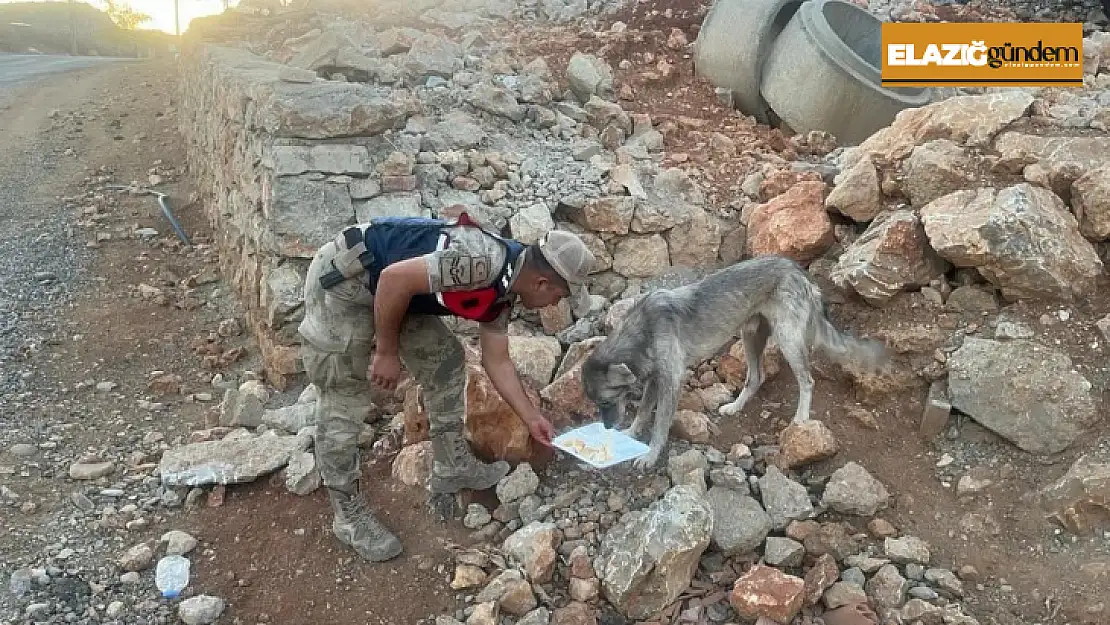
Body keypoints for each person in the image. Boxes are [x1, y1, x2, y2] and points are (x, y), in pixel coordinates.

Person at [297, 207, 596, 562]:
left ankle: (451, 466)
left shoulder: (506, 288)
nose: (556, 305)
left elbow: (496, 361)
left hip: (394, 291)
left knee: (446, 361)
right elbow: (393, 280)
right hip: (349, 281)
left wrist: (531, 418)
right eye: (560, 296)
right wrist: (387, 351)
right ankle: (347, 514)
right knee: (343, 395)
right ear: (542, 283)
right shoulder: (480, 263)